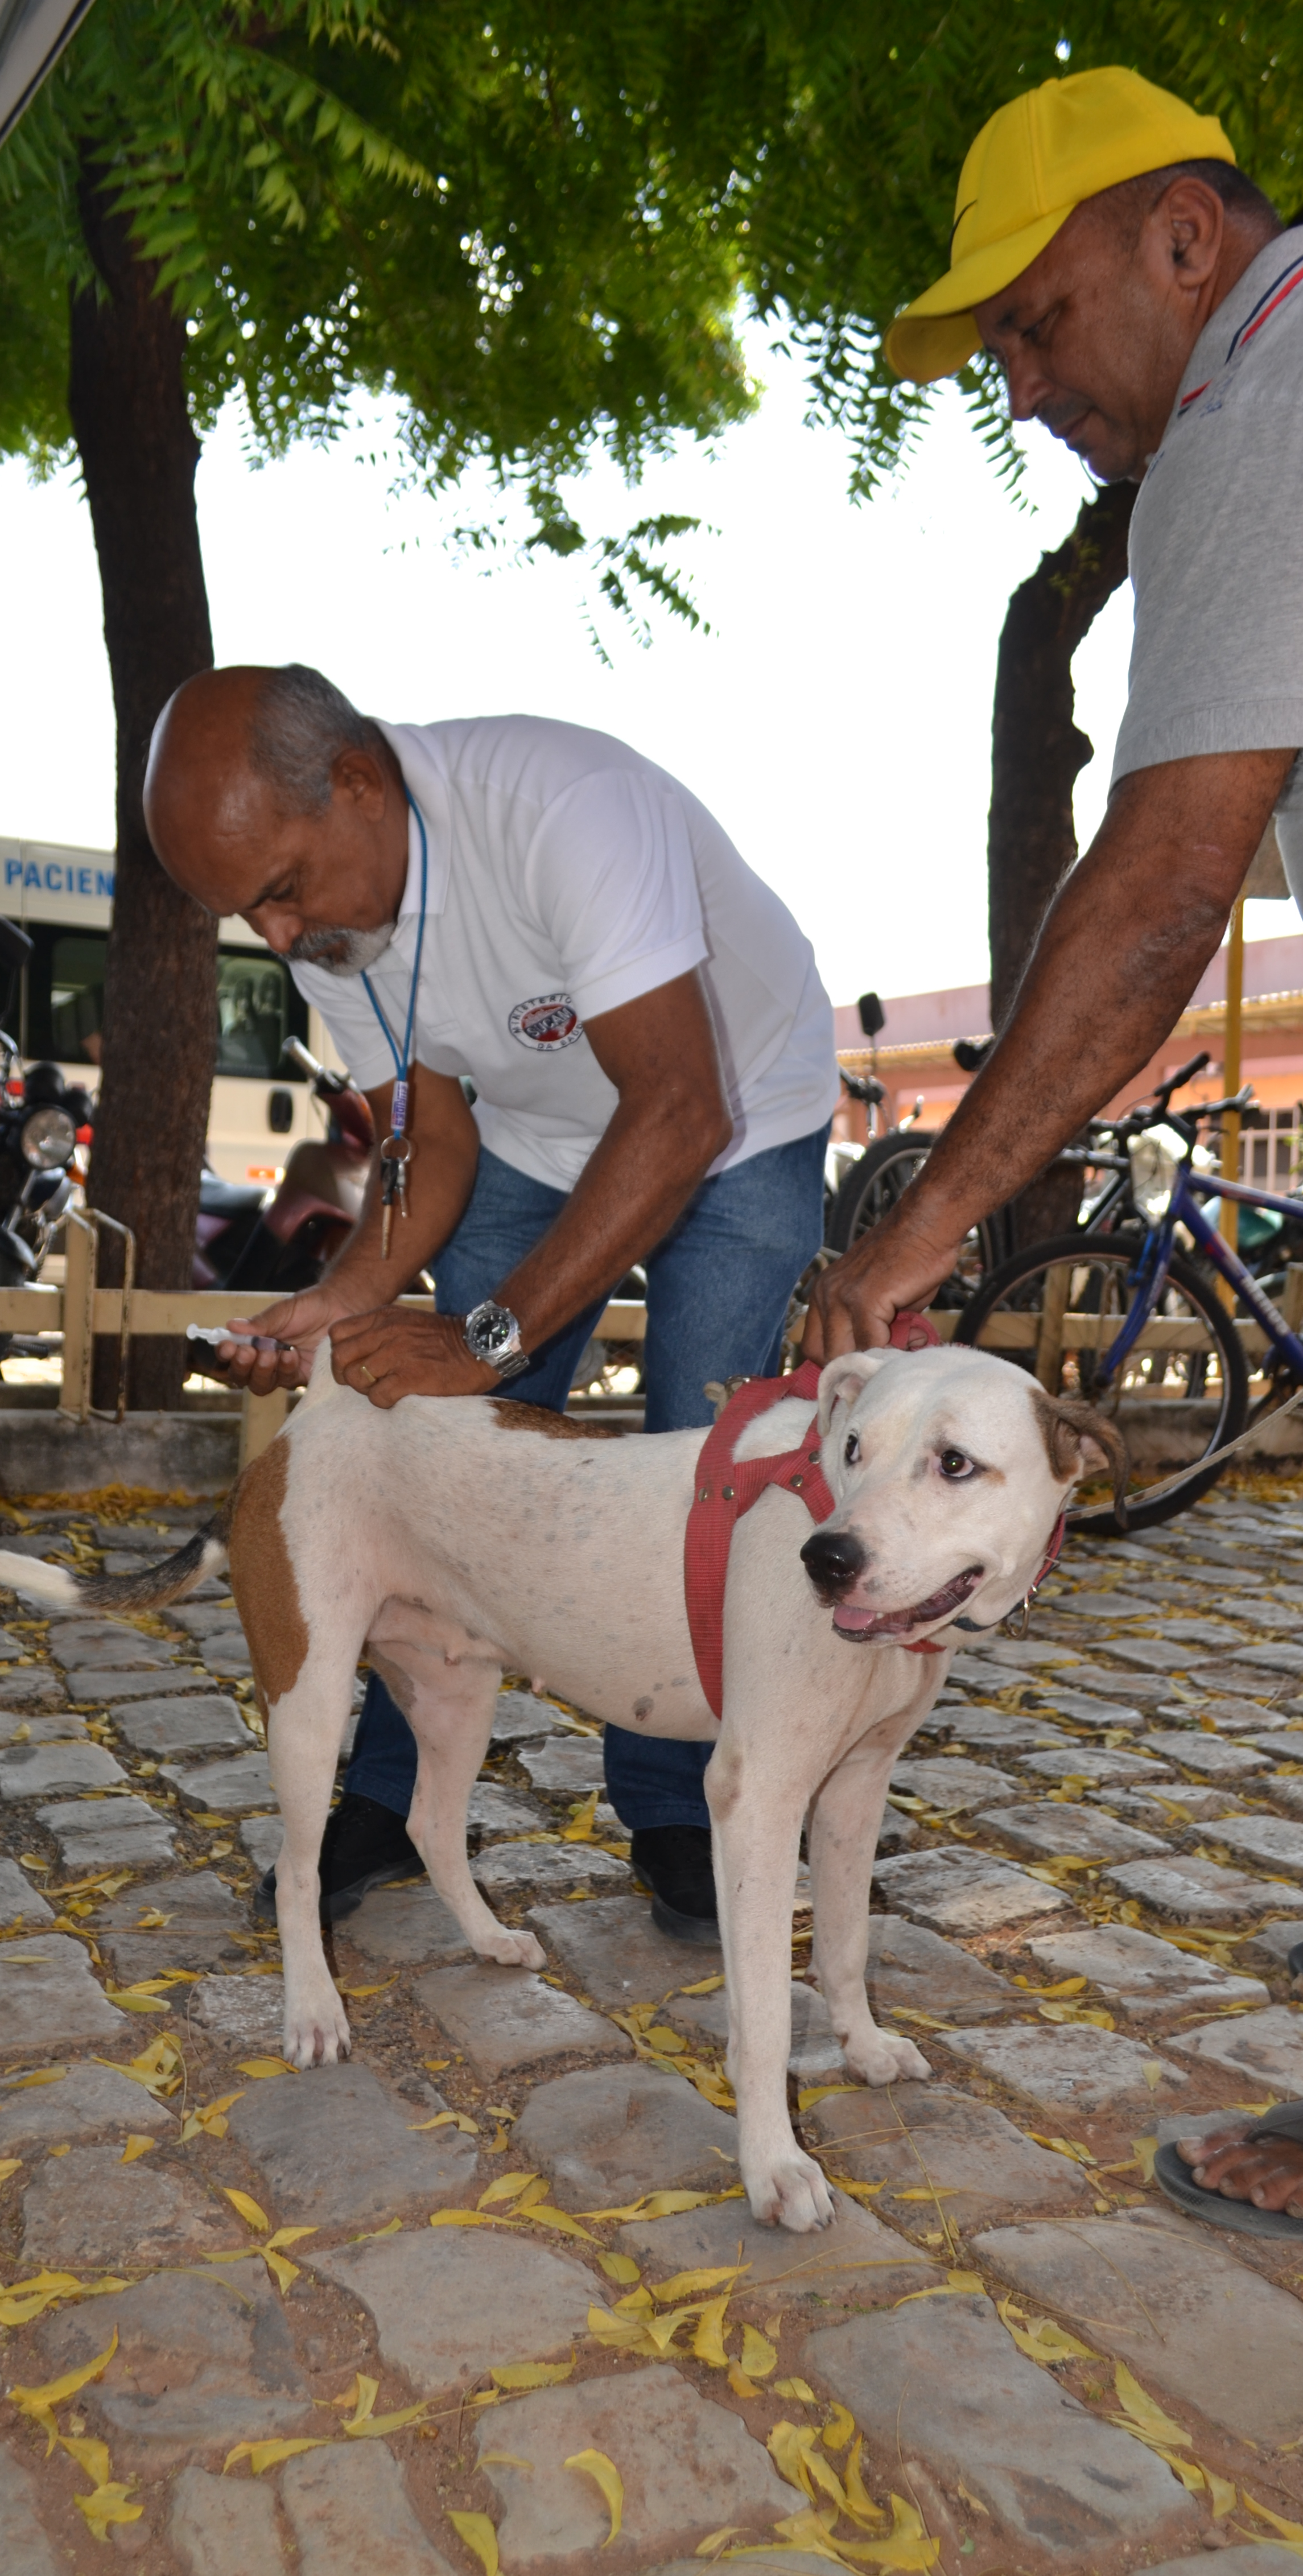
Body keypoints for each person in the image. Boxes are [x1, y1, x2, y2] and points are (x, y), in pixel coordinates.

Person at [799, 61, 1303, 2237]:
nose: (1020, 384)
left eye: (1037, 323)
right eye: (995, 355)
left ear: (1182, 235)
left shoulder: (1272, 408)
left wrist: (933, 1218)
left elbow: (1164, 883)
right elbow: (1134, 876)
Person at [144, 663, 839, 1942]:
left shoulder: (561, 809)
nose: (281, 938)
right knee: (435, 1450)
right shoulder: (332, 922)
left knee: (706, 1468)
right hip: (531, 1139)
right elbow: (431, 1139)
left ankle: (682, 1810)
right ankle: (395, 1802)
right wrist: (344, 1298)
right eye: (252, 914)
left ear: (359, 784)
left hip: (739, 1120)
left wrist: (489, 1333)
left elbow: (678, 1111)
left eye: (283, 893)